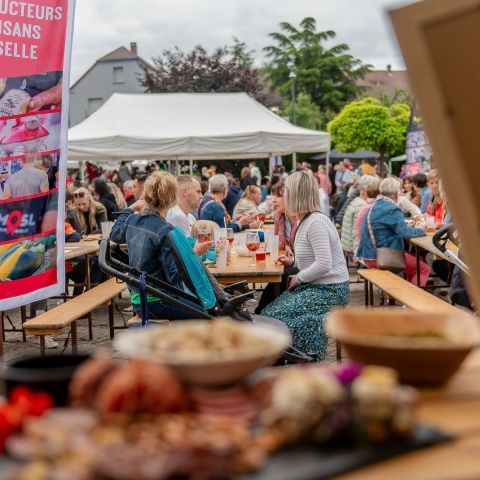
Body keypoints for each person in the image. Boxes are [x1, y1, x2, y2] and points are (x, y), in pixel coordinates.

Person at [261, 171, 350, 359]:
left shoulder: (315, 222)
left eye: (285, 191)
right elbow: (313, 259)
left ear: (295, 194)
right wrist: (293, 262)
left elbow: (325, 264)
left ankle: (307, 350)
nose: (282, 195)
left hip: (330, 290)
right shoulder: (305, 220)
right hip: (317, 286)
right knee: (269, 314)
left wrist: (299, 277)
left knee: (274, 317)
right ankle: (297, 355)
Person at [110, 171, 210, 320]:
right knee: (208, 313)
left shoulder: (133, 220)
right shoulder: (165, 230)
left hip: (138, 298)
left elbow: (114, 234)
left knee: (198, 305)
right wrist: (191, 255)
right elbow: (174, 278)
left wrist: (130, 209)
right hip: (157, 301)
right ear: (172, 198)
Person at [357, 177, 431, 286]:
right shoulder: (391, 208)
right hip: (379, 256)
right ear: (396, 193)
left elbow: (388, 226)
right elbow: (405, 233)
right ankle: (411, 300)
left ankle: (409, 291)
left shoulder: (376, 205)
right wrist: (421, 229)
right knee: (424, 269)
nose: (401, 193)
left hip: (367, 254)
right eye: (400, 191)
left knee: (418, 259)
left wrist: (406, 225)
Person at [341, 176, 377, 256]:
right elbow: (356, 232)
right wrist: (357, 253)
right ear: (365, 190)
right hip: (352, 246)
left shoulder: (357, 200)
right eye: (373, 188)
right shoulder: (362, 205)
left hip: (347, 243)